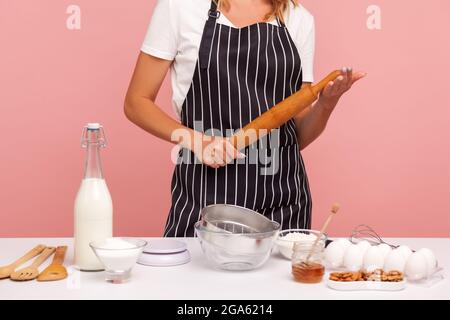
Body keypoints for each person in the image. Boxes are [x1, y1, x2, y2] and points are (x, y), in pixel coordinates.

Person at [124, 0, 365, 237]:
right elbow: (136, 102)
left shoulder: (297, 18)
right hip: (204, 200)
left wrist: (325, 103)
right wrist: (199, 142)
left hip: (283, 204)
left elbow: (298, 136)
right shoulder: (179, 7)